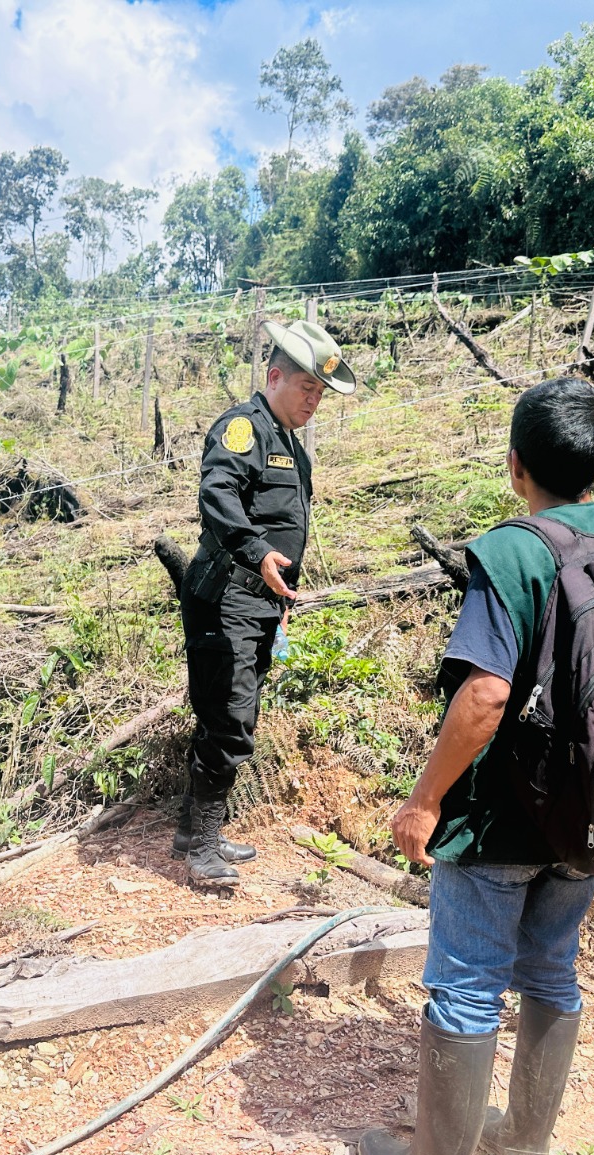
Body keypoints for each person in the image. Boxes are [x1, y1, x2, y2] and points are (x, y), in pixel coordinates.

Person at [359, 377, 594, 1155]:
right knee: (552, 971)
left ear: (516, 464)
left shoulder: (511, 551)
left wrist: (425, 800)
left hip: (503, 818)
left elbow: (487, 696)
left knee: (466, 983)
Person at [176, 320, 354, 889]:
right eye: (306, 387)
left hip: (259, 603)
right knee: (230, 718)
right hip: (226, 594)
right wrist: (256, 554)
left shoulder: (292, 447)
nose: (314, 400)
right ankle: (202, 848)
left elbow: (285, 527)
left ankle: (193, 830)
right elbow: (217, 494)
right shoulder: (243, 429)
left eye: (320, 392)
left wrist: (280, 597)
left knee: (229, 712)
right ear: (274, 377)